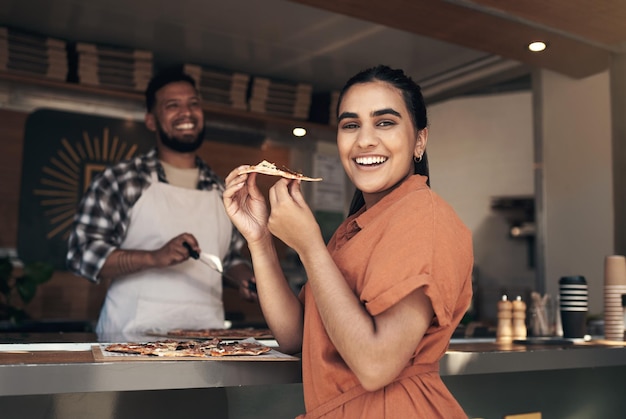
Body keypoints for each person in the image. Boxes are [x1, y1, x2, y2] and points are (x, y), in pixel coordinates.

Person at [223, 65, 473, 418]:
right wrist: (260, 238)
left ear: (419, 140)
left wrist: (309, 246)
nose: (365, 140)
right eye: (350, 124)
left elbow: (375, 365)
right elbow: (295, 336)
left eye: (385, 122)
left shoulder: (424, 219)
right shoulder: (355, 228)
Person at [67, 67, 256, 341]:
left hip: (208, 342)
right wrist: (154, 257)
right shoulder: (121, 181)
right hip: (130, 338)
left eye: (194, 104)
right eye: (172, 106)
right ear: (151, 121)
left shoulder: (221, 189)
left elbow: (228, 259)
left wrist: (245, 278)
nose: (187, 113)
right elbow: (81, 254)